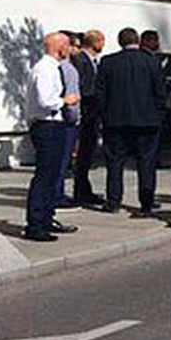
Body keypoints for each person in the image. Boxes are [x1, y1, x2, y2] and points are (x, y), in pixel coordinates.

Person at [95, 27, 166, 215]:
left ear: (120, 42)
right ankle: (146, 203)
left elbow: (101, 94)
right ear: (137, 41)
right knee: (147, 163)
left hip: (116, 121)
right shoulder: (152, 62)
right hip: (147, 121)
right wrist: (158, 116)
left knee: (115, 162)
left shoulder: (108, 62)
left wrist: (104, 116)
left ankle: (113, 201)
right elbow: (160, 93)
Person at [23, 32, 81, 241]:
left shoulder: (50, 68)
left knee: (53, 174)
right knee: (45, 175)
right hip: (47, 125)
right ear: (60, 48)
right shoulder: (46, 69)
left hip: (51, 124)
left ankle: (46, 218)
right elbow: (45, 100)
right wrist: (66, 100)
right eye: (66, 45)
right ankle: (36, 224)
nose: (69, 50)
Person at [69, 29, 106, 207]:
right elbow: (82, 87)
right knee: (83, 154)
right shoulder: (81, 60)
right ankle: (80, 191)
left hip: (92, 115)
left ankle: (84, 189)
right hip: (86, 113)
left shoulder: (91, 61)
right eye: (101, 41)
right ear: (96, 42)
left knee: (88, 154)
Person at [53, 31, 82, 209]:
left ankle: (56, 193)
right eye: (76, 46)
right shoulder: (69, 69)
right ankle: (58, 195)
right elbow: (72, 97)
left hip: (55, 120)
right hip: (66, 121)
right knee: (62, 161)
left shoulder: (50, 67)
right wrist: (75, 118)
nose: (77, 50)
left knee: (57, 161)